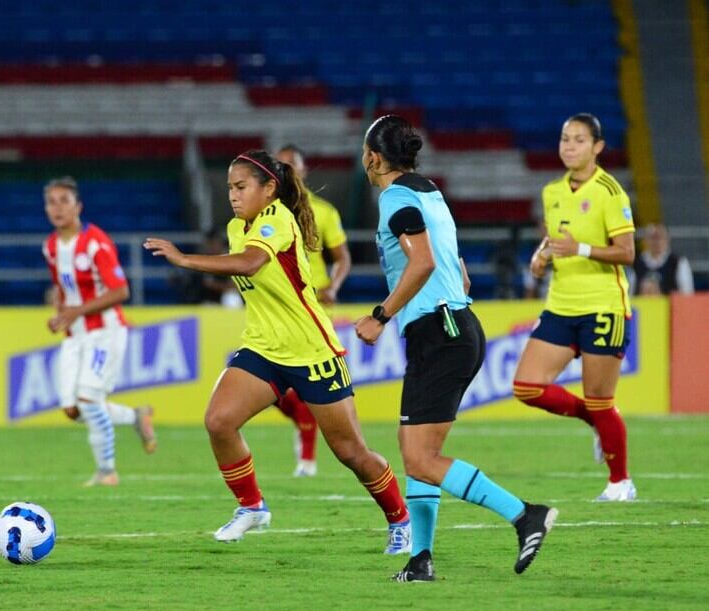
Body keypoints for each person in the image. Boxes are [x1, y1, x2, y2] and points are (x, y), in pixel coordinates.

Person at [144, 150, 411, 552]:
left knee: (350, 452)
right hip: (264, 347)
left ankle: (400, 520)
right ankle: (252, 507)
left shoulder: (278, 219)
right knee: (219, 421)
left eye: (241, 187)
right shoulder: (238, 226)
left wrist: (184, 259)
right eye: (229, 188)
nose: (233, 196)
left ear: (269, 188)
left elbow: (251, 264)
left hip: (310, 351)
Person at [354, 115, 557, 582]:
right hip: (452, 326)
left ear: (373, 157)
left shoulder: (395, 200)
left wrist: (380, 316)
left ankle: (525, 514)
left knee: (422, 458)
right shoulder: (431, 192)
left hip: (439, 332)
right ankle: (420, 561)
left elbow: (422, 262)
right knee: (415, 451)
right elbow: (455, 264)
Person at [512, 113, 637, 502]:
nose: (569, 146)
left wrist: (580, 249)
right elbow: (554, 239)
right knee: (526, 387)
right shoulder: (552, 192)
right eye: (565, 139)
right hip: (561, 305)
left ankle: (620, 482)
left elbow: (628, 253)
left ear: (597, 147)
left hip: (603, 307)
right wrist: (541, 255)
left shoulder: (610, 192)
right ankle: (596, 422)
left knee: (602, 399)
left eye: (579, 140)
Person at [42, 177, 157, 487]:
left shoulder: (96, 243)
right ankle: (136, 416)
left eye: (64, 200)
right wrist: (59, 313)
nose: (57, 208)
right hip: (75, 335)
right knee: (72, 409)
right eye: (51, 202)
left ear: (78, 206)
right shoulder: (51, 246)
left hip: (105, 332)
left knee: (89, 399)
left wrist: (74, 311)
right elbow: (62, 288)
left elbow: (120, 291)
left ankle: (107, 472)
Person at [271, 144, 352, 477]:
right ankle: (303, 423)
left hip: (313, 307)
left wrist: (332, 286)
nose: (288, 171)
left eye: (292, 165)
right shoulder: (265, 215)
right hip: (275, 309)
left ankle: (307, 459)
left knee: (305, 382)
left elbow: (343, 258)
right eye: (281, 166)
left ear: (303, 171)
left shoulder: (324, 212)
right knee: (270, 384)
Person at [630, 223, 694, 296]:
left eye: (660, 237)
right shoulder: (637, 263)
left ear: (667, 239)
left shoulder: (678, 262)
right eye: (653, 238)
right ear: (645, 239)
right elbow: (631, 294)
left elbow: (687, 294)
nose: (657, 242)